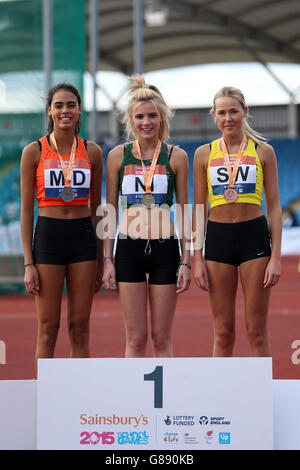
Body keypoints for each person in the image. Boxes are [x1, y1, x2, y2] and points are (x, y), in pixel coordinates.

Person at [102, 74, 191, 357]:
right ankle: (132, 401)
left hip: (166, 249)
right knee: (136, 339)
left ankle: (165, 401)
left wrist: (187, 260)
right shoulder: (118, 156)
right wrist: (107, 259)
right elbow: (111, 210)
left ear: (162, 118)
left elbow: (186, 211)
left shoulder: (176, 156)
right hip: (128, 249)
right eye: (140, 116)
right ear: (131, 119)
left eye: (152, 115)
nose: (146, 122)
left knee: (162, 338)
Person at [193, 86, 282, 357]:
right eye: (222, 112)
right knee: (223, 332)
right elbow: (198, 207)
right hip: (218, 240)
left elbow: (275, 207)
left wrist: (276, 257)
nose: (228, 118)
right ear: (214, 115)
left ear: (245, 112)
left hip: (253, 237)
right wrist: (196, 257)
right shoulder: (203, 154)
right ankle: (221, 396)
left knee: (256, 330)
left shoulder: (263, 151)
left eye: (233, 111)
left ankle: (260, 396)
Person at [20, 82, 103, 371]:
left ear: (79, 110)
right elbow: (26, 211)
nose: (65, 110)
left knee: (79, 327)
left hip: (83, 241)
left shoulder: (92, 152)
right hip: (48, 240)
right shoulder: (34, 151)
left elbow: (97, 212)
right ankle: (44, 403)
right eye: (59, 105)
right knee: (48, 328)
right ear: (50, 111)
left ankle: (78, 400)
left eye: (71, 105)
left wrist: (102, 259)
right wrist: (29, 263)